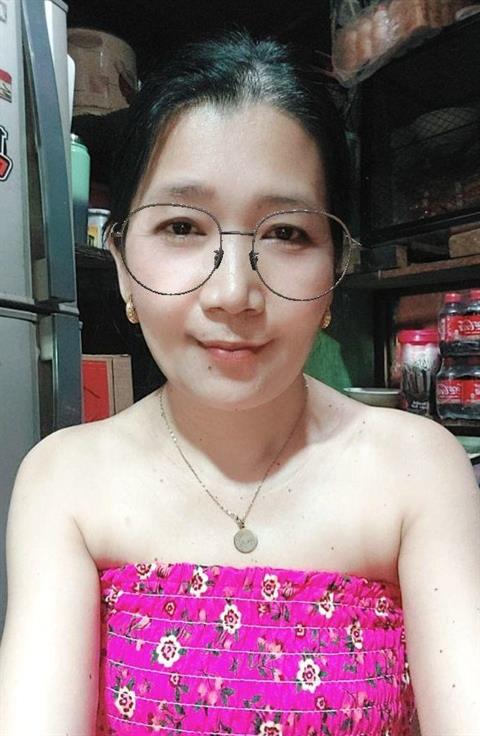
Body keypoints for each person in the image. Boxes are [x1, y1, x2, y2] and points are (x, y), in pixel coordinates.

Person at [1, 29, 479, 736]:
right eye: (182, 226)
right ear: (122, 263)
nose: (232, 293)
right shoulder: (64, 481)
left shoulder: (419, 470)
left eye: (286, 234)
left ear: (336, 268)